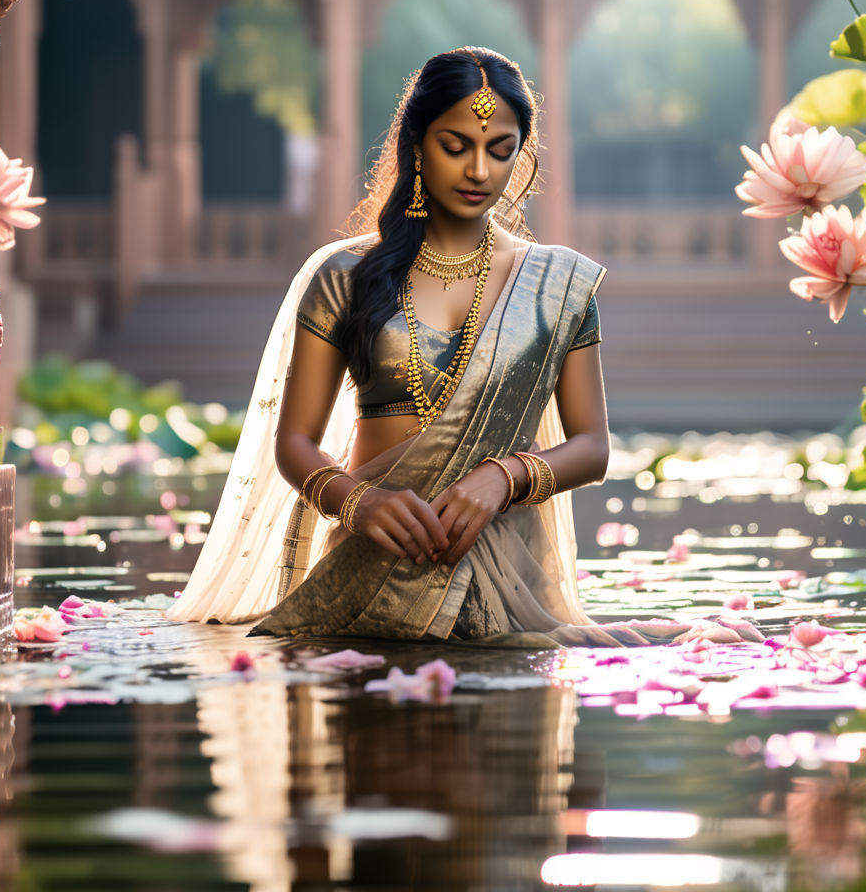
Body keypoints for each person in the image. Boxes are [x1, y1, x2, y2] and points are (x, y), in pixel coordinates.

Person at [167, 47, 753, 648]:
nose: (479, 171)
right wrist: (358, 503)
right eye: (456, 146)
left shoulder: (556, 285)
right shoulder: (346, 276)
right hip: (371, 558)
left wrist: (501, 479)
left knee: (718, 644)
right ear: (417, 144)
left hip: (504, 563)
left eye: (500, 151)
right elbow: (293, 442)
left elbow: (593, 447)